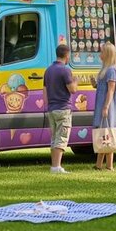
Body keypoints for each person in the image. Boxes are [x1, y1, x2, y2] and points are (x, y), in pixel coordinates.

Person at [43, 44, 78, 174]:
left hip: (51, 108)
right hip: (63, 108)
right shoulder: (65, 70)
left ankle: (54, 165)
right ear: (67, 55)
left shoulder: (48, 70)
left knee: (54, 138)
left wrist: (48, 106)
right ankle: (56, 167)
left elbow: (44, 91)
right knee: (61, 138)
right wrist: (76, 81)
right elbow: (72, 89)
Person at [90, 42, 116, 171]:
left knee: (108, 132)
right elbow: (103, 87)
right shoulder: (105, 69)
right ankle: (99, 164)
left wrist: (106, 107)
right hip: (102, 104)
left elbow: (111, 90)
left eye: (102, 52)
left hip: (108, 105)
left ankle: (109, 165)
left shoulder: (112, 70)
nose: (100, 54)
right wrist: (94, 84)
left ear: (107, 54)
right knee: (103, 132)